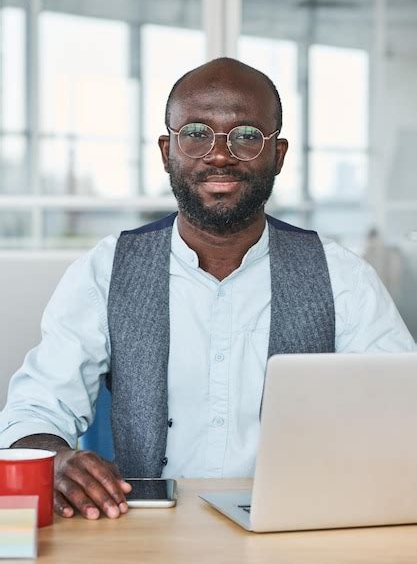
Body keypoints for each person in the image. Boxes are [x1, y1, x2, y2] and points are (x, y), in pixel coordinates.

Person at [0, 58, 415, 522]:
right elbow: (35, 409)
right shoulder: (105, 270)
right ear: (166, 151)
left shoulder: (343, 276)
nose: (220, 156)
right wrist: (54, 459)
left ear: (278, 154)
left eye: (246, 136)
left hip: (299, 528)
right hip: (143, 532)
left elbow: (403, 413)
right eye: (196, 133)